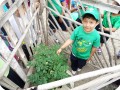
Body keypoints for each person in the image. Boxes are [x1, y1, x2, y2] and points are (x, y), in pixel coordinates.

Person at [57, 8, 100, 75]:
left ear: (96, 23)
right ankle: (74, 69)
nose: (87, 25)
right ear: (82, 21)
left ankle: (79, 67)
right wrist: (61, 48)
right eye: (85, 21)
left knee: (81, 64)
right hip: (74, 53)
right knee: (73, 62)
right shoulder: (78, 30)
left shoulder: (96, 36)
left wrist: (90, 56)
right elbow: (70, 39)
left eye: (91, 22)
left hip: (85, 56)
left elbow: (94, 47)